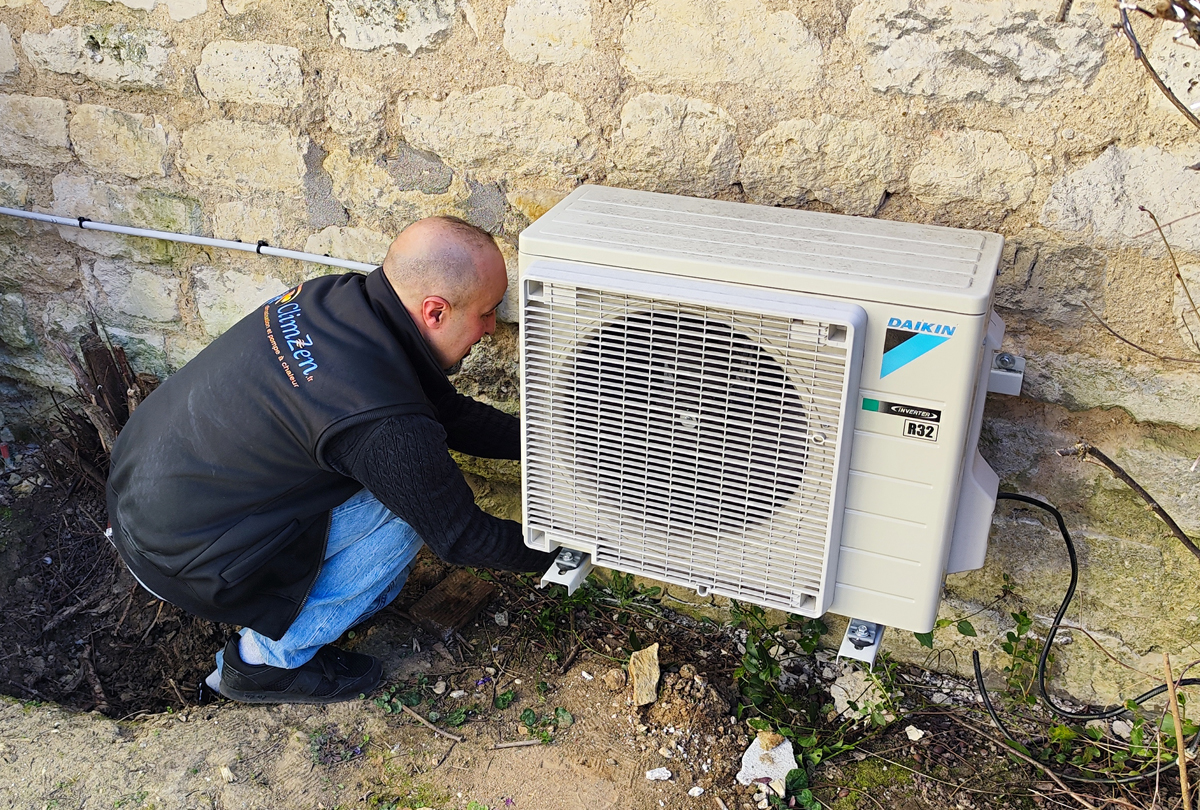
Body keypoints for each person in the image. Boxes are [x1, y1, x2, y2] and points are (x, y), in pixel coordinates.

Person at [106, 216, 558, 704]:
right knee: (407, 513)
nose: (492, 328)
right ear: (435, 312)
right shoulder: (378, 416)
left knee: (407, 479)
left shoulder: (338, 299)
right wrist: (572, 551)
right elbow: (460, 536)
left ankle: (346, 593)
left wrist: (548, 437)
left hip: (141, 495)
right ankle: (263, 664)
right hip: (182, 559)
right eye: (488, 313)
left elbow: (443, 412)